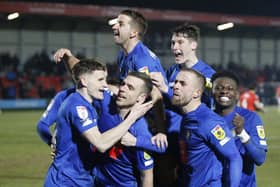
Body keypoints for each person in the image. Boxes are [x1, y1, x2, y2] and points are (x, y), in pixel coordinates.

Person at [53, 9, 168, 135]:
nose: (114, 26)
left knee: (100, 88)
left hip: (149, 125)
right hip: (136, 119)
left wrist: (161, 131)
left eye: (121, 23)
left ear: (133, 33)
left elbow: (156, 96)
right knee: (99, 86)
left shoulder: (142, 60)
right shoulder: (123, 54)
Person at [44, 59, 153, 187]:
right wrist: (132, 118)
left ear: (141, 97)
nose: (105, 85)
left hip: (84, 180)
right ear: (84, 82)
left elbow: (147, 172)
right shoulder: (79, 107)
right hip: (66, 181)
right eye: (100, 80)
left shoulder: (91, 104)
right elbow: (101, 143)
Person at [149, 23, 216, 186]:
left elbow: (203, 108)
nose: (174, 47)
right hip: (168, 138)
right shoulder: (172, 71)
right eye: (173, 43)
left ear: (193, 45)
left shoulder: (207, 75)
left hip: (191, 140)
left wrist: (166, 89)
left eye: (180, 42)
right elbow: (164, 101)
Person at [171, 68, 242, 187]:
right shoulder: (187, 118)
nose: (176, 86)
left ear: (197, 93)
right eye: (176, 82)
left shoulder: (209, 121)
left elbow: (234, 158)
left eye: (182, 83)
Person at [93, 72, 158, 187]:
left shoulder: (140, 131)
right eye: (123, 84)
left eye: (130, 87)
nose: (122, 88)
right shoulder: (108, 102)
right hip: (95, 181)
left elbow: (146, 175)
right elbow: (85, 74)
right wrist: (67, 56)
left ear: (141, 98)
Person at [211, 71, 267, 187]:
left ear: (237, 94)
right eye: (218, 88)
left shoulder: (251, 118)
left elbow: (260, 158)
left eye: (230, 88)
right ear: (211, 92)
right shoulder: (205, 119)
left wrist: (242, 133)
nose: (224, 91)